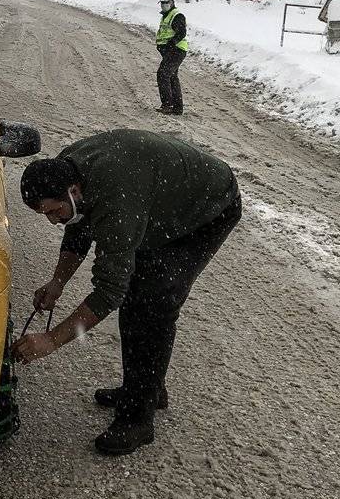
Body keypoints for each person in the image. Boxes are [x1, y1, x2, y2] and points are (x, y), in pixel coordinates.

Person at [12, 129, 241, 456]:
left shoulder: (116, 201)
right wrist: (56, 283)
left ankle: (139, 417)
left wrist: (52, 340)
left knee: (151, 304)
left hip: (207, 209)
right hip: (156, 201)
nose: (51, 221)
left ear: (73, 191)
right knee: (137, 295)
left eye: (52, 211)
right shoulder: (69, 169)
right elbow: (78, 228)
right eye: (44, 214)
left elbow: (108, 293)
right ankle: (146, 388)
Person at [155, 0, 188, 115]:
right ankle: (177, 108)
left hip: (176, 50)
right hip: (170, 51)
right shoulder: (166, 16)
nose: (163, 5)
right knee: (172, 77)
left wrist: (171, 44)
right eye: (162, 3)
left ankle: (167, 105)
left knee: (163, 74)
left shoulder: (177, 15)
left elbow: (181, 33)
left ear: (172, 3)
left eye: (166, 3)